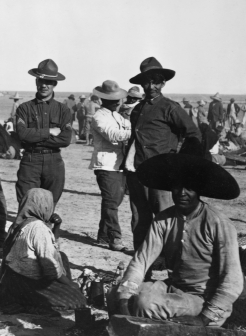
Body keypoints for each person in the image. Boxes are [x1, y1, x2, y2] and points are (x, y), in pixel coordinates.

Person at [108, 151, 242, 327]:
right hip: (174, 288)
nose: (182, 193)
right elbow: (141, 261)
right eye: (177, 187)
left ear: (199, 191)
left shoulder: (217, 223)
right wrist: (124, 296)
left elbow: (233, 280)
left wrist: (203, 318)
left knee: (146, 303)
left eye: (190, 188)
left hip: (205, 299)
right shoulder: (164, 219)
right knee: (116, 295)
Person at [124, 57, 201, 250]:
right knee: (140, 219)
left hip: (162, 174)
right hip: (137, 171)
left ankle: (170, 265)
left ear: (163, 82)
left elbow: (193, 134)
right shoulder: (137, 110)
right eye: (147, 82)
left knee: (166, 217)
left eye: (155, 81)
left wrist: (179, 163)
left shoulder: (170, 108)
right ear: (142, 84)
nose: (151, 86)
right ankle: (143, 265)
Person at [0, 188, 86, 311]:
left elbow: (50, 246)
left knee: (62, 256)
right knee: (78, 301)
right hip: (26, 283)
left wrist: (57, 226)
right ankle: (28, 301)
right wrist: (70, 284)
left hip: (13, 277)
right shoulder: (38, 228)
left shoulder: (20, 222)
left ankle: (61, 289)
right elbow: (49, 265)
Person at [15, 59, 73, 209]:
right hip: (30, 161)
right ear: (36, 81)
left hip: (54, 162)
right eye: (41, 81)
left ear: (55, 84)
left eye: (48, 82)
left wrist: (34, 137)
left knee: (49, 206)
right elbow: (22, 134)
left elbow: (65, 139)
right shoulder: (24, 108)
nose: (44, 85)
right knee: (27, 204)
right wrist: (49, 132)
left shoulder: (63, 110)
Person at [89, 81, 131, 251]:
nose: (117, 102)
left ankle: (103, 236)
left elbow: (127, 128)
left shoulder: (118, 116)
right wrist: (135, 132)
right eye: (114, 99)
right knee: (111, 202)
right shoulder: (99, 116)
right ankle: (115, 237)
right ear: (104, 100)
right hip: (105, 165)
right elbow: (112, 134)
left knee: (114, 201)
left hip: (119, 164)